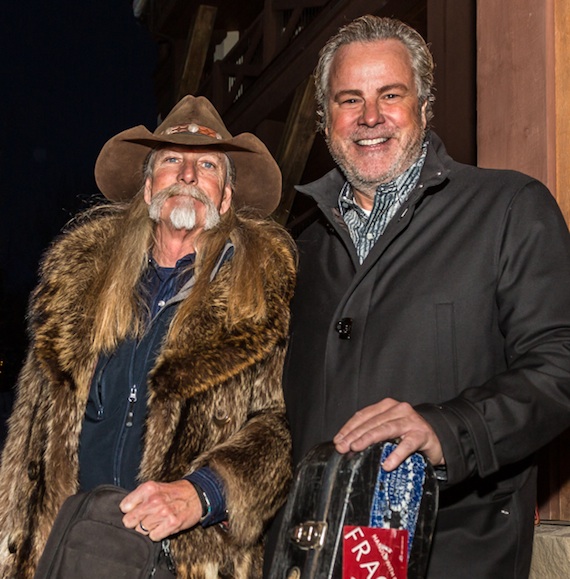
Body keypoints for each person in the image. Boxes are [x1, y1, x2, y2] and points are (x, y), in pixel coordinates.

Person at [277, 15, 570, 578]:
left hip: (451, 556)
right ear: (324, 121)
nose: (370, 117)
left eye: (391, 94)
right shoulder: (298, 248)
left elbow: (560, 365)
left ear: (424, 106)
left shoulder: (507, 209)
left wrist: (448, 428)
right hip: (316, 558)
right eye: (348, 99)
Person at [0, 95, 297, 578]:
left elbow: (280, 431)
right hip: (68, 553)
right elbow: (29, 437)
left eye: (207, 165)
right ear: (146, 188)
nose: (186, 175)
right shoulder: (74, 292)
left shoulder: (262, 301)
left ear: (224, 198)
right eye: (172, 161)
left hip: (188, 560)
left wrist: (203, 492)